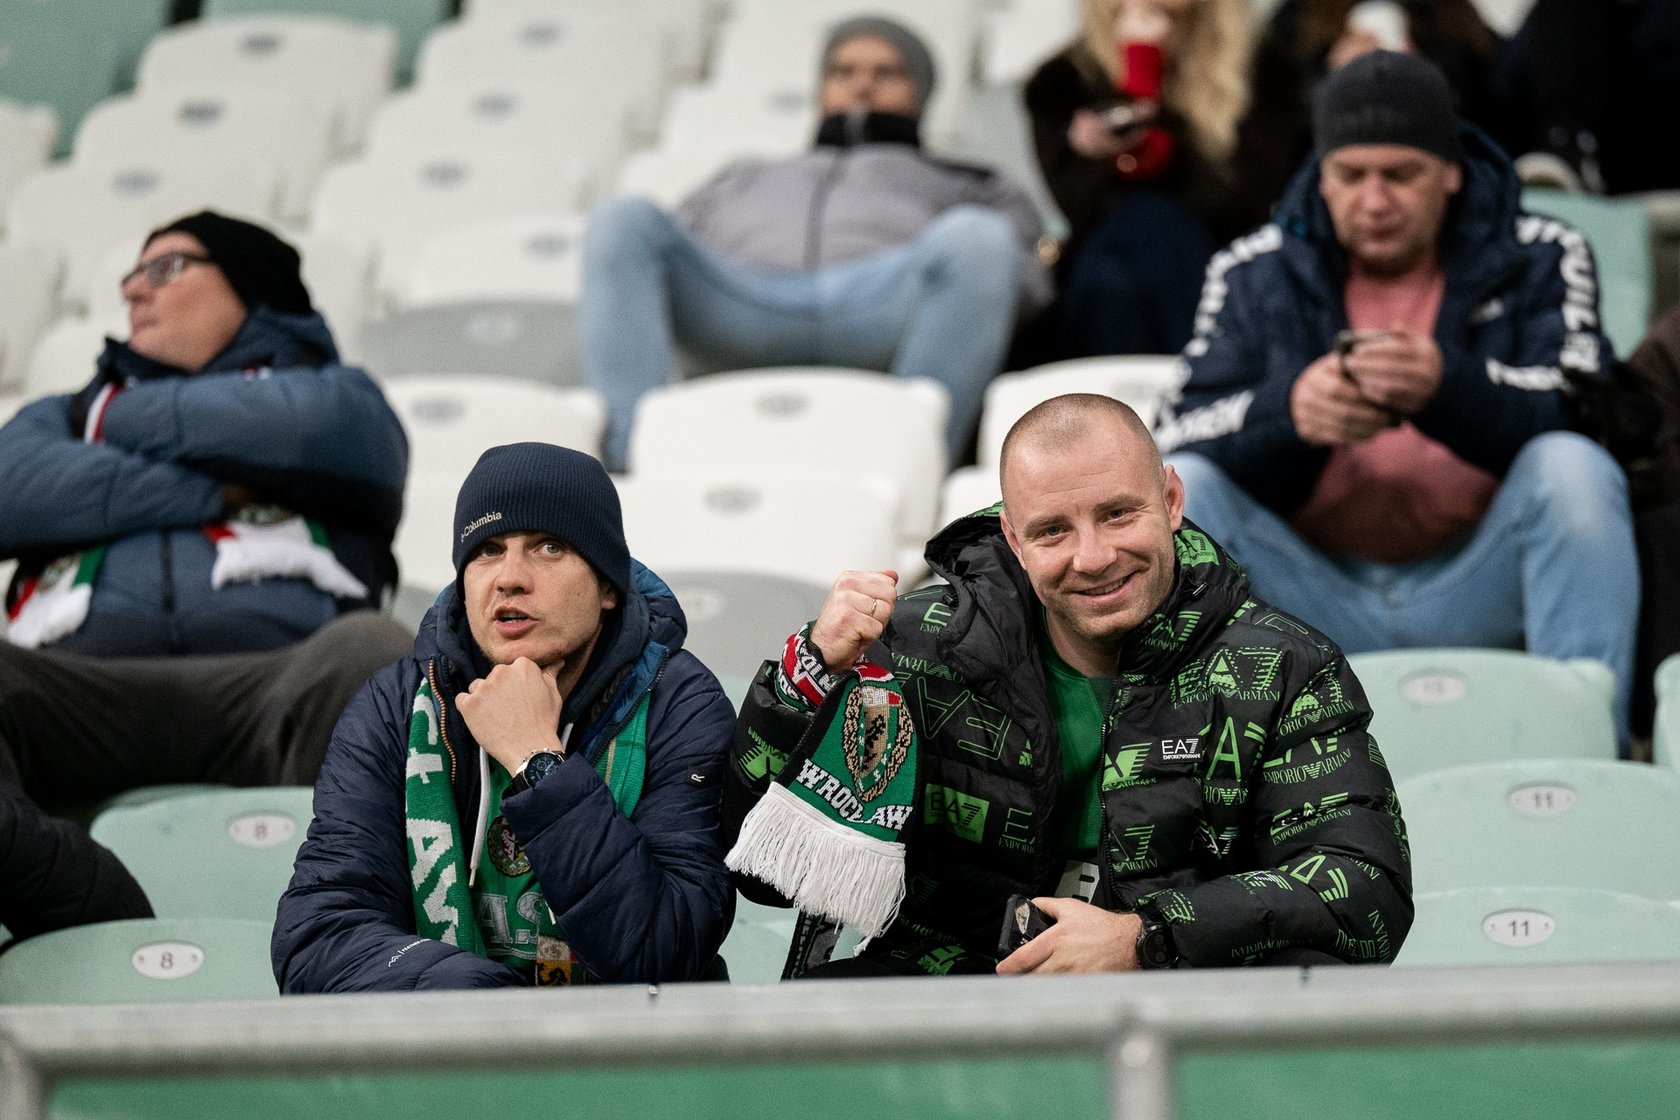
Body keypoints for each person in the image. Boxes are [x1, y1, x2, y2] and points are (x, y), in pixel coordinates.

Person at [722, 394, 1411, 976]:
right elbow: (759, 876)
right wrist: (805, 681)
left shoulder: (1282, 667)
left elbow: (1365, 889)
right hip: (949, 1027)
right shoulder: (912, 649)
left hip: (1175, 1023)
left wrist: (1145, 939)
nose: (1093, 556)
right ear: (1014, 541)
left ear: (1171, 500)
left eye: (1118, 514)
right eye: (1052, 531)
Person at [1153, 52, 1639, 743]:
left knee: (1574, 467)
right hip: (1305, 596)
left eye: (1401, 174)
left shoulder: (1541, 252)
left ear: (1451, 171)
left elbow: (1595, 416)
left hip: (1481, 583)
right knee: (1186, 493)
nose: (1375, 201)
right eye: (1351, 176)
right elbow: (1171, 438)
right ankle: (1184, 766)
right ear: (1322, 176)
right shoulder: (1252, 269)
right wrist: (1287, 415)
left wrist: (1449, 389)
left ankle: (1591, 746)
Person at [0, 213, 411, 937]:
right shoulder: (62, 413)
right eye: (131, 275)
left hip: (277, 687)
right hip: (75, 697)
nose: (133, 292)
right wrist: (221, 488)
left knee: (373, 652)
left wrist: (119, 428)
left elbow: (318, 434)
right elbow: (12, 492)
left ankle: (346, 927)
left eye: (165, 269)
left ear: (250, 287)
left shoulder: (338, 393)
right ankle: (67, 889)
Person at [274, 443, 737, 990]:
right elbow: (320, 936)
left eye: (549, 547)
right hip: (457, 1037)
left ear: (609, 586)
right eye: (488, 550)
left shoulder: (678, 705)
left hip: (631, 1043)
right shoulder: (396, 706)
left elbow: (664, 948)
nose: (510, 577)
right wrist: (492, 1007)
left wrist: (538, 762)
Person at [578, 15, 1052, 470]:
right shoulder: (743, 175)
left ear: (922, 93)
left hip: (886, 308)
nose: (862, 85)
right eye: (842, 72)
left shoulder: (971, 181)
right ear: (820, 86)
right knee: (623, 218)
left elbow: (1029, 279)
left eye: (886, 73)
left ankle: (916, 466)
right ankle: (631, 464)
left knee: (978, 236)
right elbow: (661, 257)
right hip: (743, 304)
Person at [1022, 0, 1303, 360]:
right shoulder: (1062, 82)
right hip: (1112, 280)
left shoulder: (1269, 72)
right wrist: (1138, 77)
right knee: (1125, 250)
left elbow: (1242, 203)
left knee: (1148, 235)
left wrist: (1143, 102)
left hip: (1218, 268)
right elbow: (1085, 210)